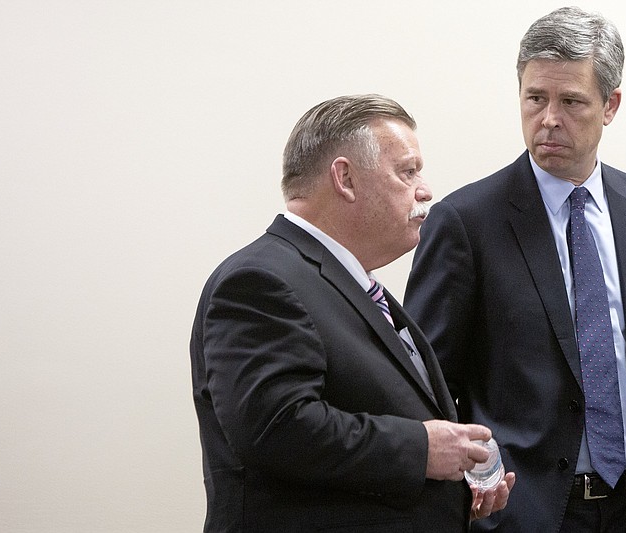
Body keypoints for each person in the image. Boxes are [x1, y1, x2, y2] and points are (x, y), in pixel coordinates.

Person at [404, 7, 626, 533]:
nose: (548, 119)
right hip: (527, 515)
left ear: (610, 106)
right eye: (535, 98)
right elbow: (424, 387)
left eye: (571, 102)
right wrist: (474, 494)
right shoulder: (466, 222)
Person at [190, 94, 515, 533]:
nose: (425, 190)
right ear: (345, 178)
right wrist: (422, 450)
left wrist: (451, 494)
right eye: (407, 171)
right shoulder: (260, 281)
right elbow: (275, 428)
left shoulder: (351, 285)